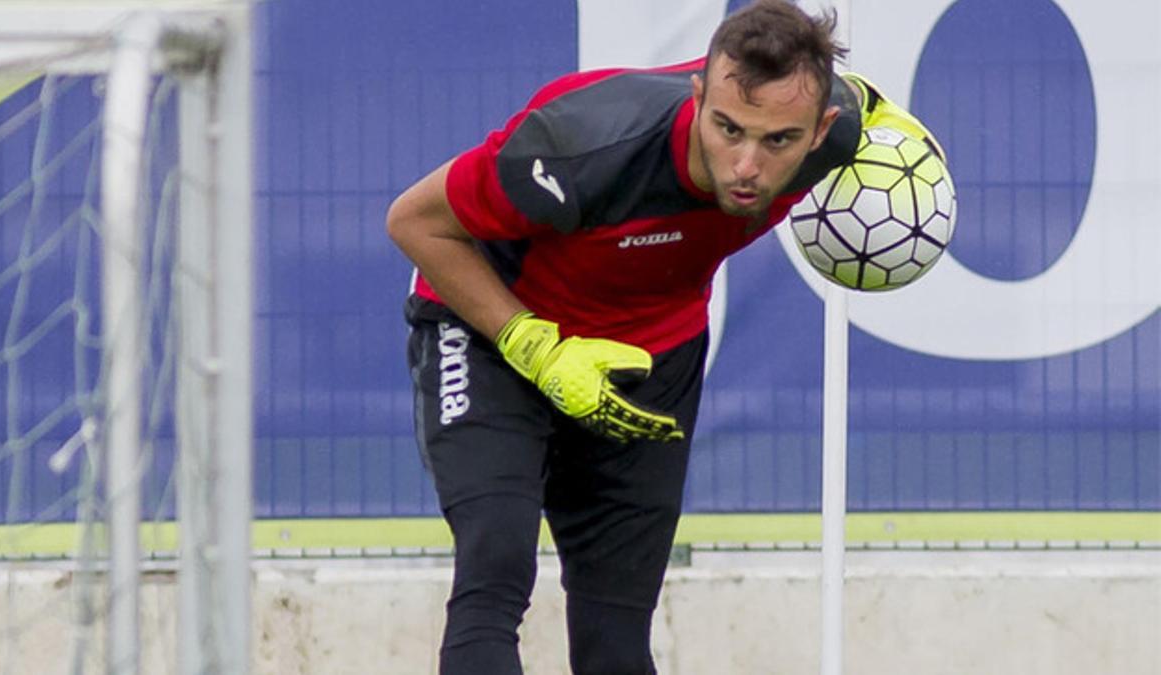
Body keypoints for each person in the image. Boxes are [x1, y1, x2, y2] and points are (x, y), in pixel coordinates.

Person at [386, 1, 942, 672]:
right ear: (698, 94)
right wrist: (534, 345)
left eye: (777, 142)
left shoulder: (840, 129)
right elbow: (415, 223)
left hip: (653, 352)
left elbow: (861, 100)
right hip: (490, 333)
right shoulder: (582, 143)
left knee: (617, 634)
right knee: (496, 563)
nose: (745, 165)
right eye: (727, 128)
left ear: (820, 128)